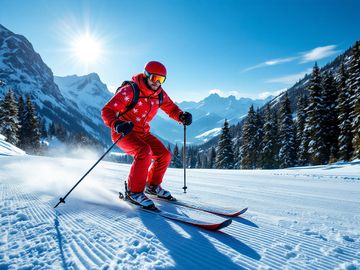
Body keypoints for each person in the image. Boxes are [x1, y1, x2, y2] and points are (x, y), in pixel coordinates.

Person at [102, 61, 192, 209]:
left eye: (161, 80)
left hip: (143, 132)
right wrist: (117, 124)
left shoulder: (159, 94)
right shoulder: (130, 90)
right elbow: (107, 110)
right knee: (144, 152)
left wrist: (181, 116)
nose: (157, 83)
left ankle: (152, 186)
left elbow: (171, 108)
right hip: (124, 132)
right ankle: (133, 192)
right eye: (154, 78)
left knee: (164, 155)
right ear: (146, 75)